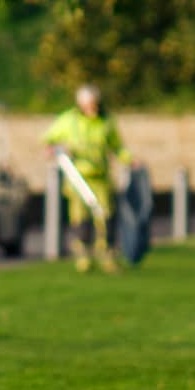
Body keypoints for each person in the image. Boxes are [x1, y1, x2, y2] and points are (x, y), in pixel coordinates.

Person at [44, 83, 129, 272]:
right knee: (80, 219)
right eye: (89, 104)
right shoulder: (69, 120)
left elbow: (117, 146)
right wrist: (56, 148)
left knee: (105, 217)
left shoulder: (105, 122)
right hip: (78, 178)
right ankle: (83, 256)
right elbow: (49, 140)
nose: (93, 107)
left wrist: (129, 159)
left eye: (95, 103)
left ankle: (107, 255)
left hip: (101, 177)